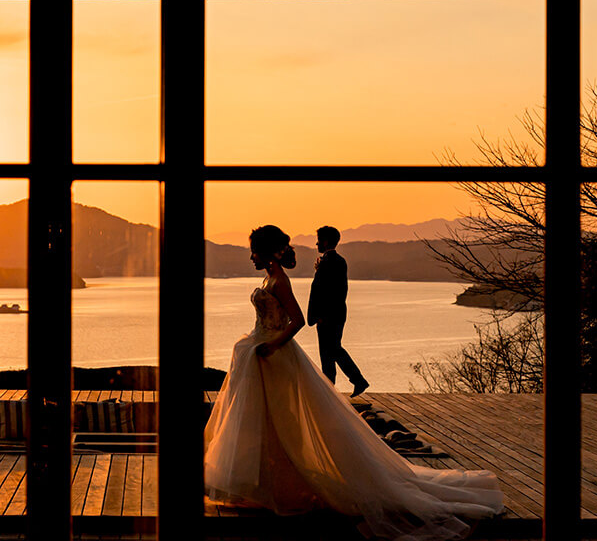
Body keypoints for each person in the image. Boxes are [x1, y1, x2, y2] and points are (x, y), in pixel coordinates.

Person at [204, 224, 504, 539]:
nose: (250, 256)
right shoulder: (270, 278)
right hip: (261, 355)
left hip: (274, 357)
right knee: (265, 421)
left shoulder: (280, 281)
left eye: (254, 250)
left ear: (265, 251)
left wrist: (274, 344)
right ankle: (266, 483)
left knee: (286, 420)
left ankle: (291, 481)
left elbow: (296, 320)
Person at [307, 225, 369, 397]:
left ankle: (354, 380)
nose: (316, 243)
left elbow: (326, 291)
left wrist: (320, 316)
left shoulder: (329, 262)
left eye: (318, 240)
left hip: (328, 316)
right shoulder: (337, 261)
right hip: (336, 314)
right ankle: (331, 388)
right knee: (329, 352)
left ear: (325, 241)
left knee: (330, 351)